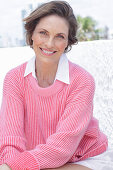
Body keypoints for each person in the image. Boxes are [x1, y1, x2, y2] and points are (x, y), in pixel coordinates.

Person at [0, 1, 112, 170]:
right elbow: (11, 140)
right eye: (43, 33)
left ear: (68, 42)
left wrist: (14, 166)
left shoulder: (82, 81)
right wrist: (10, 165)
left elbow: (62, 147)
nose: (50, 43)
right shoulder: (14, 78)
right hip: (37, 160)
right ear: (31, 34)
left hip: (83, 157)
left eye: (59, 36)